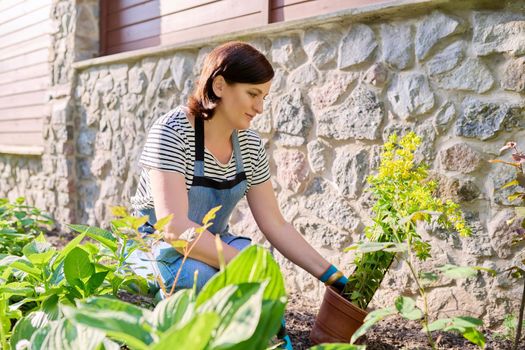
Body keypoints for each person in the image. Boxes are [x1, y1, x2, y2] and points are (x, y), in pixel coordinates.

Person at [128, 41, 347, 349]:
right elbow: (174, 228)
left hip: (212, 240)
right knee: (203, 277)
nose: (259, 108)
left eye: (264, 97)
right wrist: (248, 271)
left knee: (256, 263)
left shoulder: (249, 147)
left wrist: (332, 277)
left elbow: (276, 225)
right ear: (219, 85)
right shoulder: (172, 132)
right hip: (154, 248)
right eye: (252, 94)